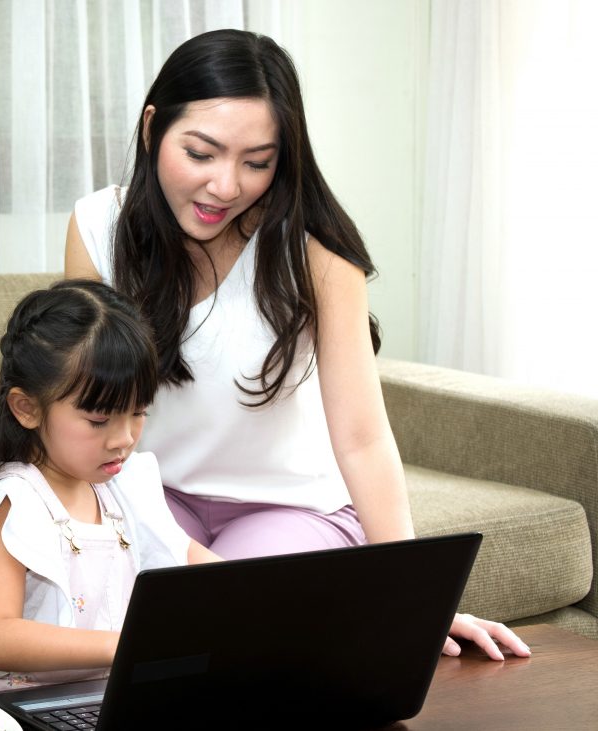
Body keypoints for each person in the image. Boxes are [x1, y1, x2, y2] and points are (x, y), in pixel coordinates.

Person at [65, 29, 529, 661]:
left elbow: (363, 439)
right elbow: (81, 408)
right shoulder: (99, 228)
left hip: (290, 509)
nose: (226, 186)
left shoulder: (316, 255)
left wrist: (417, 598)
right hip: (152, 496)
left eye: (257, 162)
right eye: (201, 153)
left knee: (226, 639)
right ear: (153, 130)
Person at [0, 278, 220, 694]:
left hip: (99, 697)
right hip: (19, 705)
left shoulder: (126, 485)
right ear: (27, 408)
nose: (123, 437)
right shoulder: (16, 501)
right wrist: (123, 646)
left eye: (138, 412)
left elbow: (197, 564)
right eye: (100, 420)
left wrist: (273, 599)